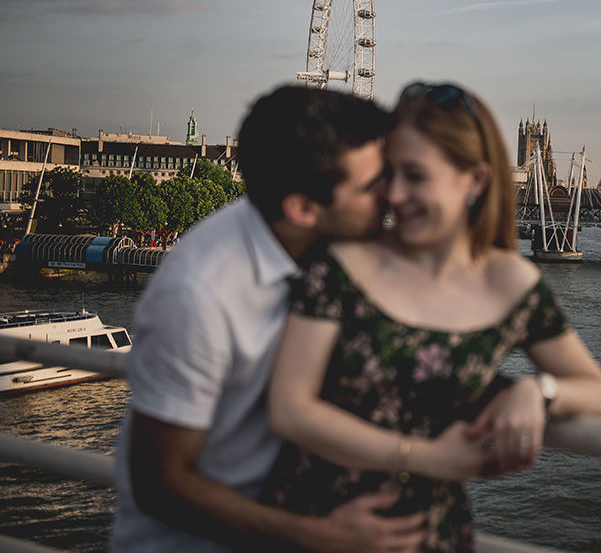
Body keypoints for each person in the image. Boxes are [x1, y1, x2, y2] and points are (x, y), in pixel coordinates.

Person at [261, 82, 601, 550]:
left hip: (435, 538)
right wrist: (426, 457)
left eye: (416, 176)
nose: (394, 193)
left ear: (476, 181)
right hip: (318, 530)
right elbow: (288, 409)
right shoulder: (340, 267)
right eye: (389, 174)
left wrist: (537, 389)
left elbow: (596, 392)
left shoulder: (511, 283)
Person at [111, 85, 429, 552]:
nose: (393, 195)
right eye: (371, 186)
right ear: (302, 208)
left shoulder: (321, 240)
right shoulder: (197, 297)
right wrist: (320, 536)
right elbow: (160, 483)